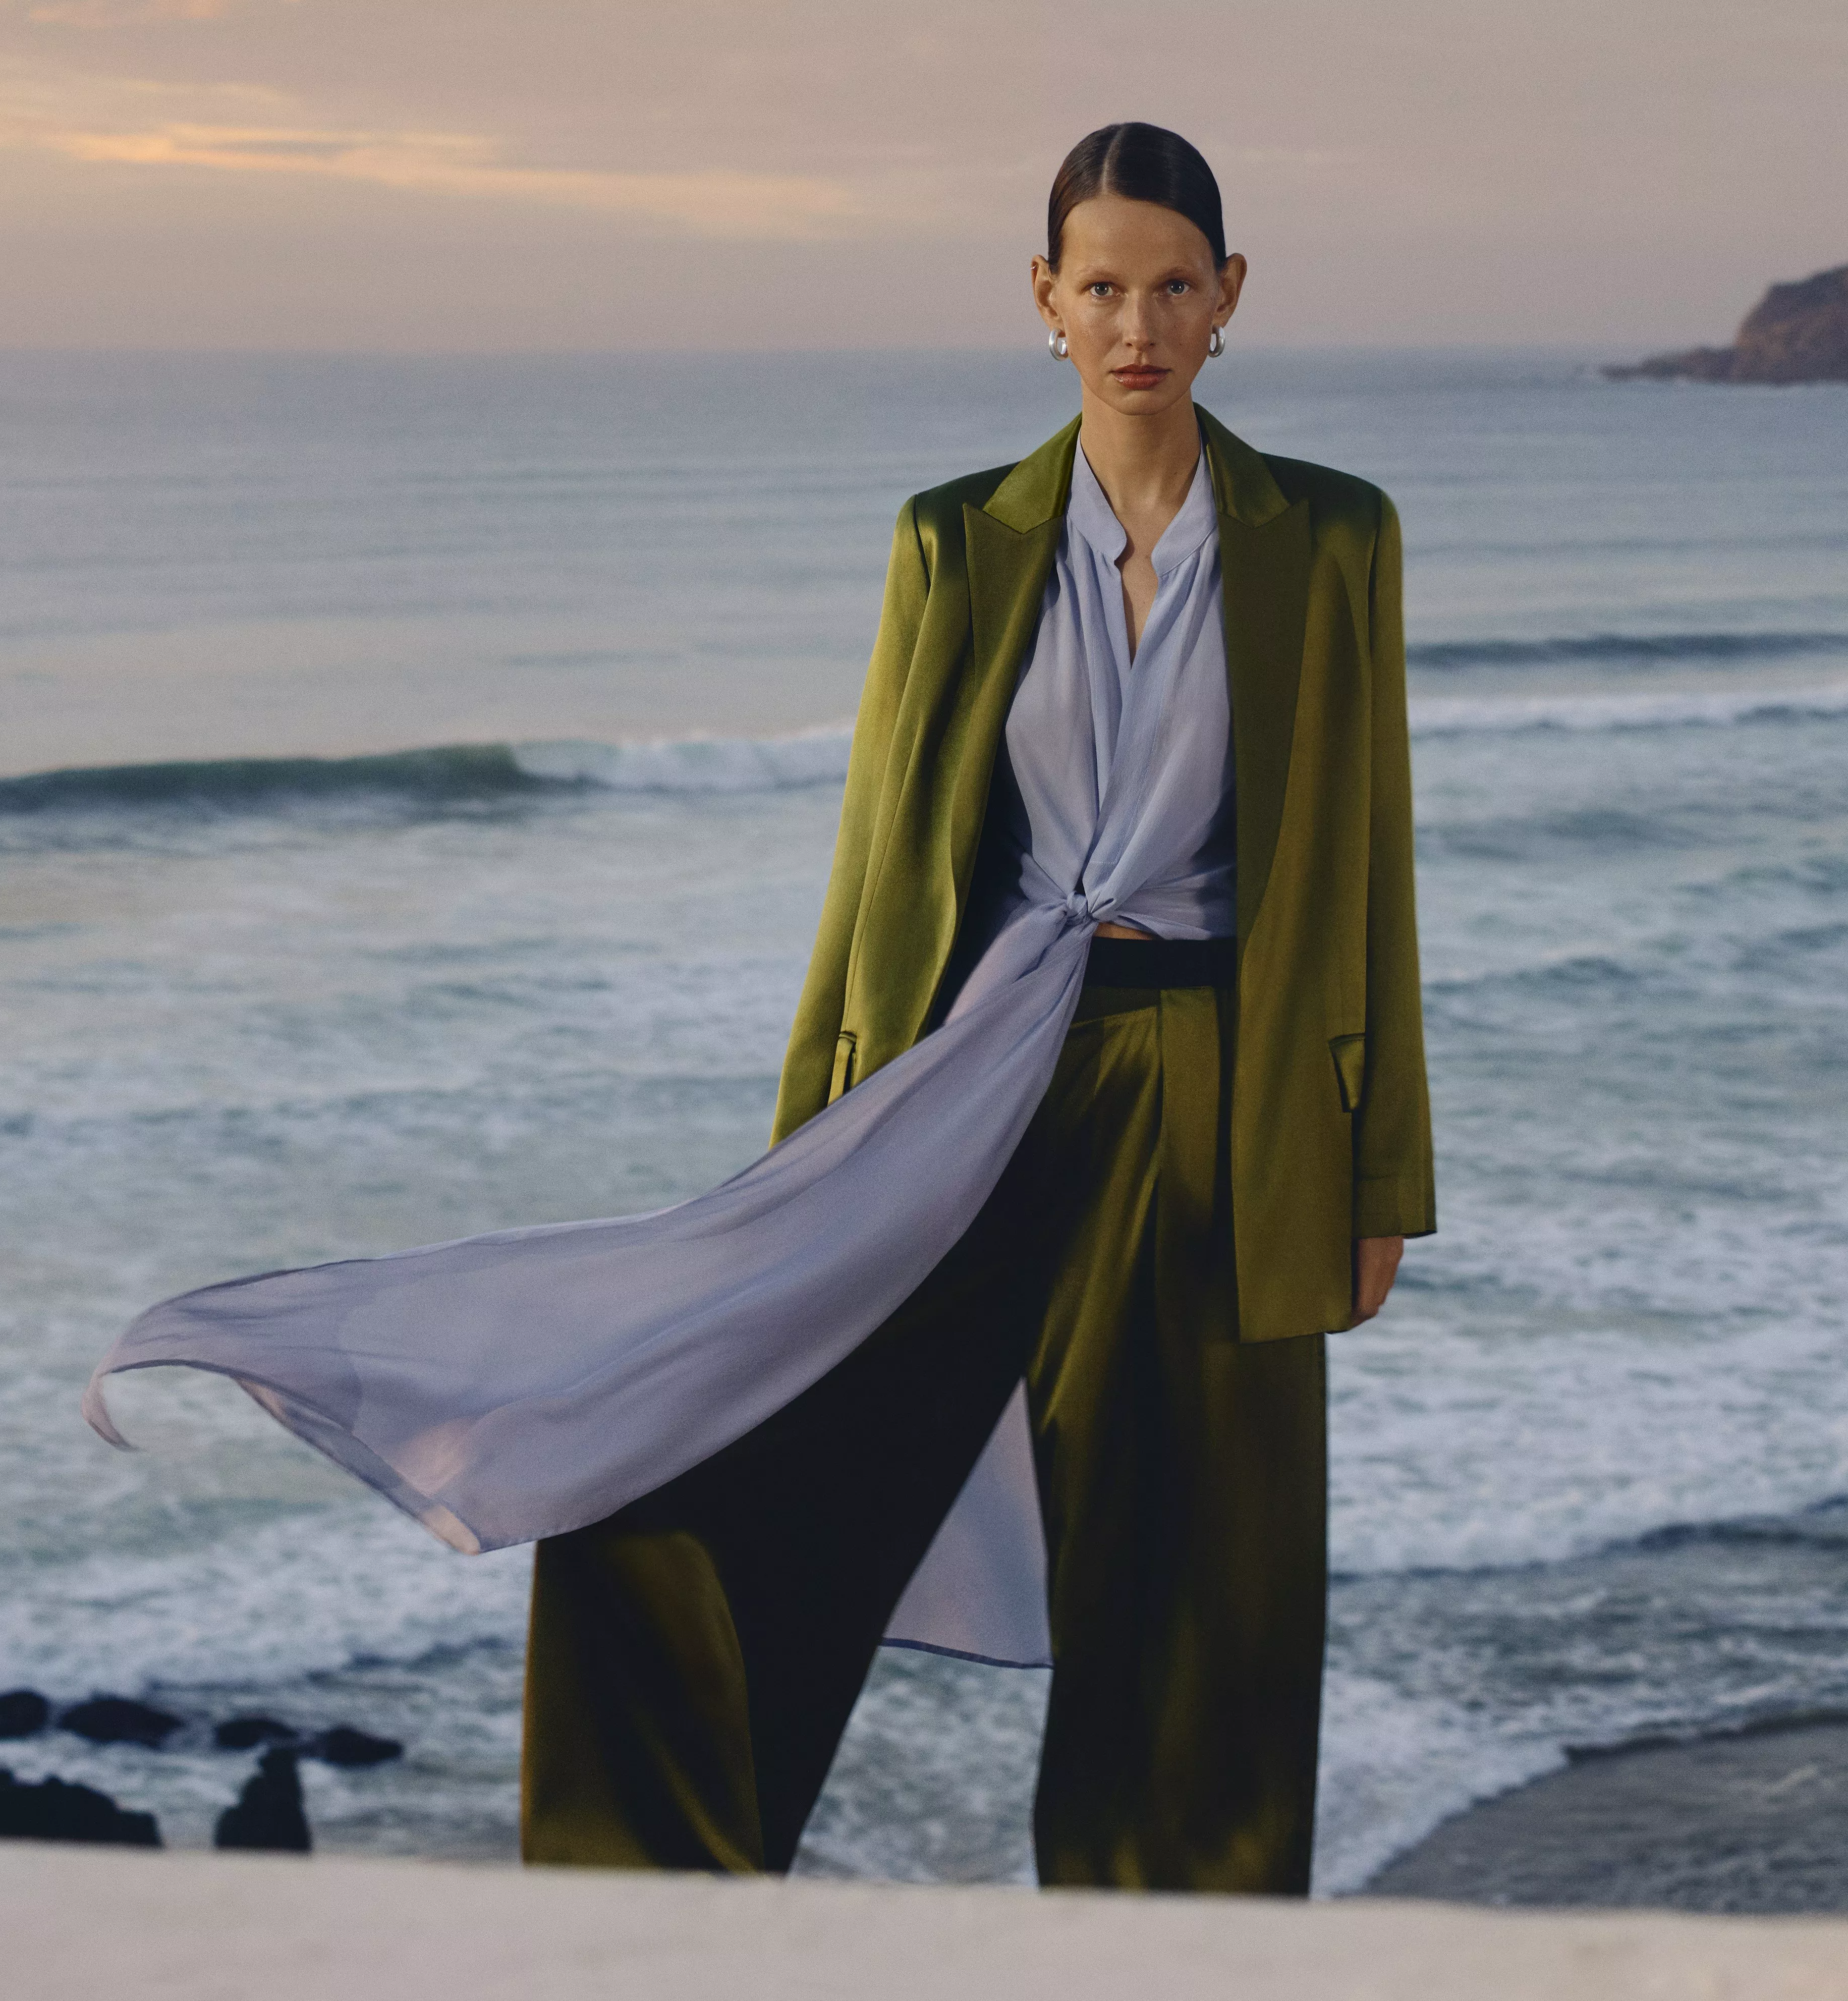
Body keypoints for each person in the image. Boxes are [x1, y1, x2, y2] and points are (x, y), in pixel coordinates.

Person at [84, 121, 1430, 1898]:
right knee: (723, 1466)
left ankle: (1181, 1944)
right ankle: (649, 1894)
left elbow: (1362, 872)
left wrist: (1374, 1177)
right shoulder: (955, 541)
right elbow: (879, 868)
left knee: (1195, 1582)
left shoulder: (1328, 537)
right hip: (973, 1086)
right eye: (1100, 285)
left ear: (1228, 299)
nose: (1136, 323)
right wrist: (815, 1161)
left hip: (1220, 1095)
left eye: (1174, 284)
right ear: (1043, 299)